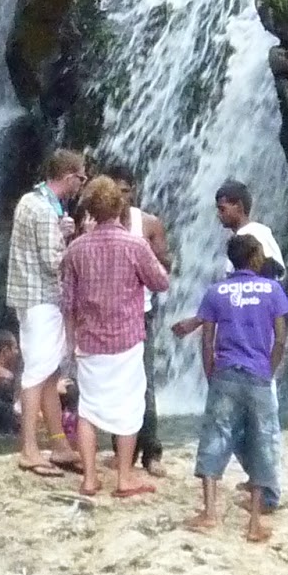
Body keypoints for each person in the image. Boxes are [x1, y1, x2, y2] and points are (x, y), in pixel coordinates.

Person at [59, 174, 170, 498]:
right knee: (129, 406)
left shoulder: (76, 249)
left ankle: (90, 479)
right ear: (120, 206)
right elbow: (161, 282)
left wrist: (69, 344)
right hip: (127, 339)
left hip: (89, 342)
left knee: (89, 410)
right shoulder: (135, 245)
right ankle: (124, 478)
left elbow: (68, 302)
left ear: (91, 210)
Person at [185, 234, 288, 543]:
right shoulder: (272, 289)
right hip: (258, 375)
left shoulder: (216, 292)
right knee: (261, 441)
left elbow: (207, 338)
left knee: (215, 436)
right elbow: (281, 337)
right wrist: (269, 371)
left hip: (225, 373)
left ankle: (208, 514)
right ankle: (255, 524)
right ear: (256, 257)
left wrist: (210, 372)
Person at [5, 149, 87, 478]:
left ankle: (60, 446)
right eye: (81, 178)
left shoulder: (31, 201)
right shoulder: (42, 210)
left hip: (29, 295)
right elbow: (53, 262)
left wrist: (60, 231)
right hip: (43, 298)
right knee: (38, 372)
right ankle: (28, 449)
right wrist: (70, 239)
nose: (82, 184)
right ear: (69, 177)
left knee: (50, 373)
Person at [109, 164, 173, 480]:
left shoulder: (147, 224)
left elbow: (167, 265)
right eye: (113, 190)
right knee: (115, 384)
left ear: (131, 191)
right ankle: (124, 452)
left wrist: (148, 255)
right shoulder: (96, 222)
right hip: (107, 314)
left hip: (140, 312)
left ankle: (152, 452)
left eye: (123, 190)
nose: (118, 196)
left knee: (144, 382)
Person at [170, 179, 286, 339]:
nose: (218, 215)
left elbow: (250, 289)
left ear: (238, 206)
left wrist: (197, 320)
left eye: (222, 209)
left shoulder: (253, 238)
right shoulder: (254, 235)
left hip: (256, 331)